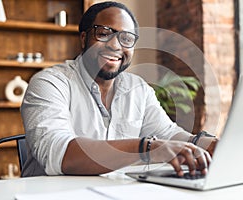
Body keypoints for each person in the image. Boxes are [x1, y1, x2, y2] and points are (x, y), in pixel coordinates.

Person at [20, 1, 218, 177]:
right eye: (104, 34)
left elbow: (167, 133)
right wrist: (147, 148)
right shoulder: (49, 83)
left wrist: (206, 144)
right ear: (83, 38)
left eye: (126, 38)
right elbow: (59, 154)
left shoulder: (138, 89)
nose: (115, 45)